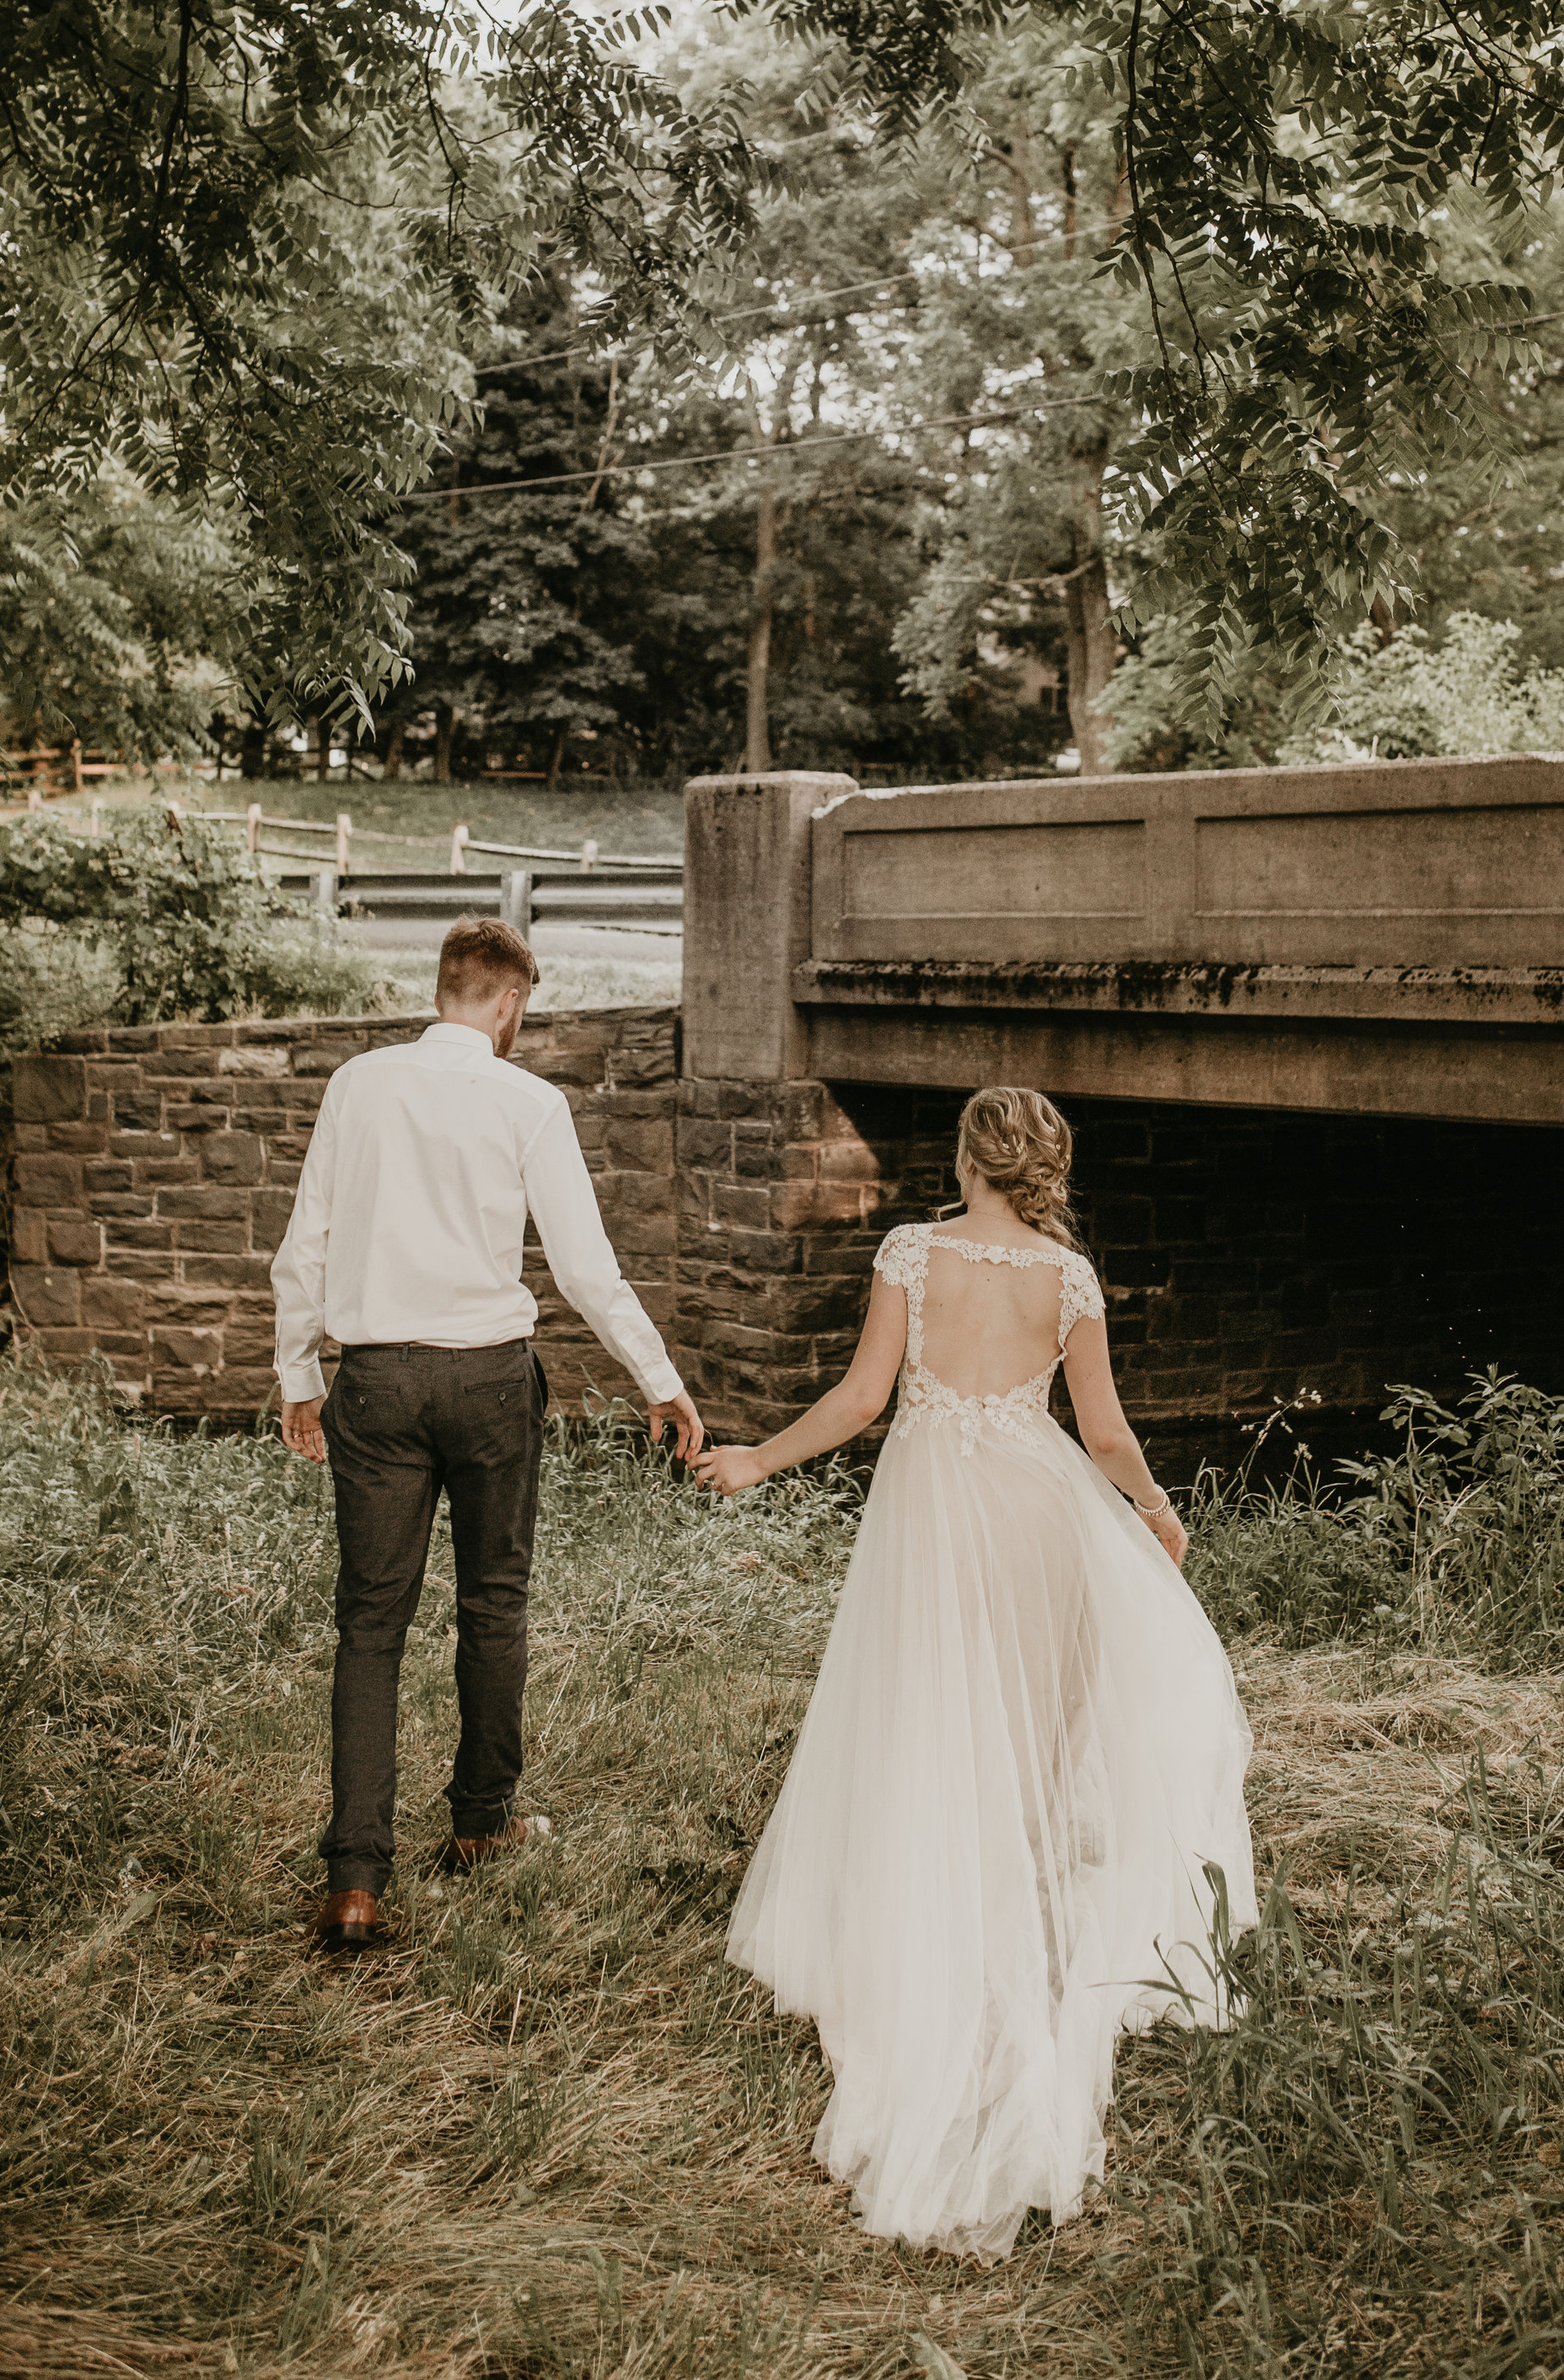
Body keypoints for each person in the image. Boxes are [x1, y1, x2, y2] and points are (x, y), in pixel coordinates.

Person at [689, 1085, 1255, 2261]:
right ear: (1042, 1167)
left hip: (941, 1515)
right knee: (1031, 1741)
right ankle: (1021, 1934)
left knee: (927, 1723)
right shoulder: (1071, 1275)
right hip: (1041, 1515)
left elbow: (860, 1398)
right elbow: (1102, 1431)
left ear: (966, 1158)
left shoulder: (911, 1248)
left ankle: (931, 1933)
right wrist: (1153, 1507)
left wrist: (757, 1459)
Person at [274, 915, 704, 1948]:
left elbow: (308, 1242)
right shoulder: (530, 1101)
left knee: (370, 1626)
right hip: (490, 1386)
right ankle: (478, 1826)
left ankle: (356, 1882)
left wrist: (299, 1374)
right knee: (492, 1603)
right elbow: (585, 1268)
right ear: (509, 1002)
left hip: (374, 1382)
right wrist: (660, 1380)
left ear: (444, 988)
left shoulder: (357, 1086)